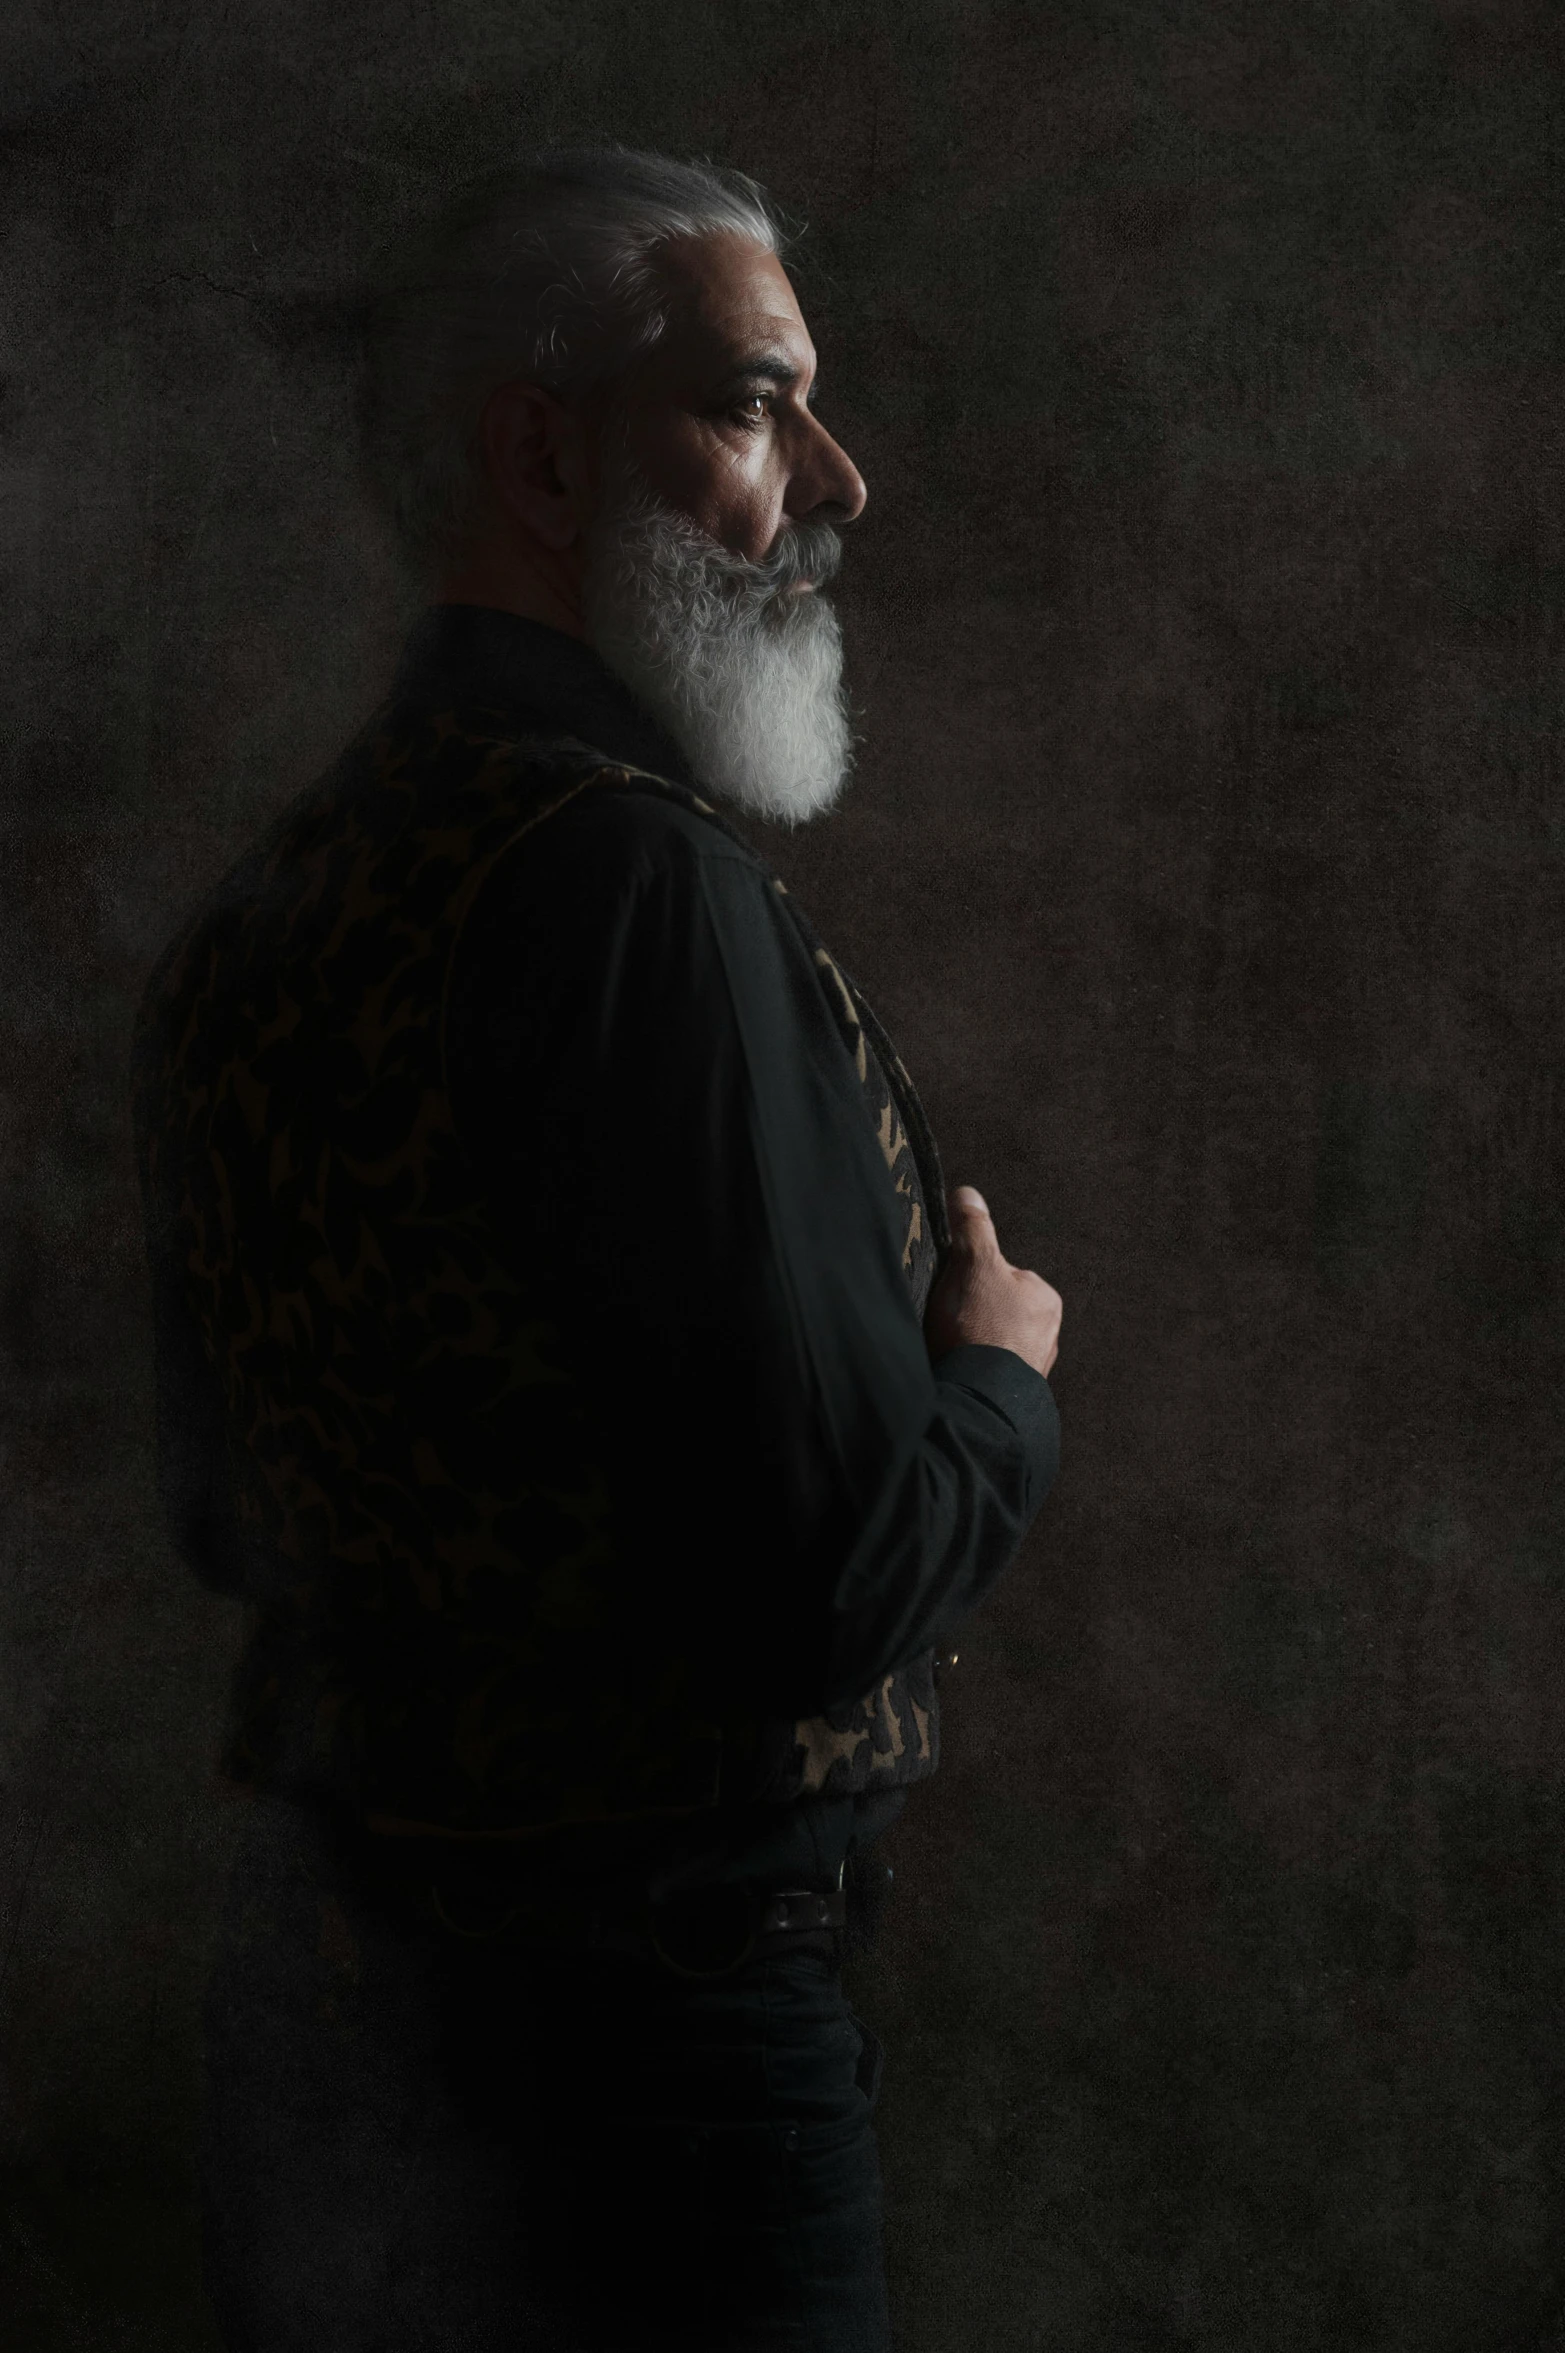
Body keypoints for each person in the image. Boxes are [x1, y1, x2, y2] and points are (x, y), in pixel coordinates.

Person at [132, 147, 1063, 2353]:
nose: (834, 478)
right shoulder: (629, 894)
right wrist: (1001, 1378)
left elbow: (218, 1514)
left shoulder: (270, 914)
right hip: (646, 2067)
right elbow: (825, 1586)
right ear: (540, 453)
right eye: (751, 407)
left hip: (331, 2018)